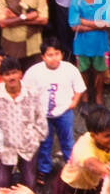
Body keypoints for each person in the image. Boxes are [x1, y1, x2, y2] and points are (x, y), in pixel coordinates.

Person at [23, 39, 86, 184]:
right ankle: (44, 169)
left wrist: (74, 102)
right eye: (49, 55)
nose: (53, 58)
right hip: (42, 115)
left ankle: (72, 167)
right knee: (45, 142)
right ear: (43, 57)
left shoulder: (69, 69)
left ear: (62, 55)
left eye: (57, 54)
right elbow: (26, 92)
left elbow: (79, 87)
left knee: (68, 141)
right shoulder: (34, 72)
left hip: (64, 112)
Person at [0, 57, 47, 191]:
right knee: (2, 182)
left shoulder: (31, 92)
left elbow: (40, 118)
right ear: (1, 76)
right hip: (5, 145)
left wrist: (35, 139)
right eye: (7, 74)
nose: (11, 77)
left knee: (29, 180)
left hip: (28, 144)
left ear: (20, 73)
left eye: (14, 73)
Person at [69, 0, 110, 106]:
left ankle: (99, 95)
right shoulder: (76, 1)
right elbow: (74, 26)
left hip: (100, 44)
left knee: (100, 71)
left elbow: (107, 24)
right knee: (83, 72)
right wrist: (97, 24)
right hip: (81, 44)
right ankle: (85, 96)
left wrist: (84, 21)